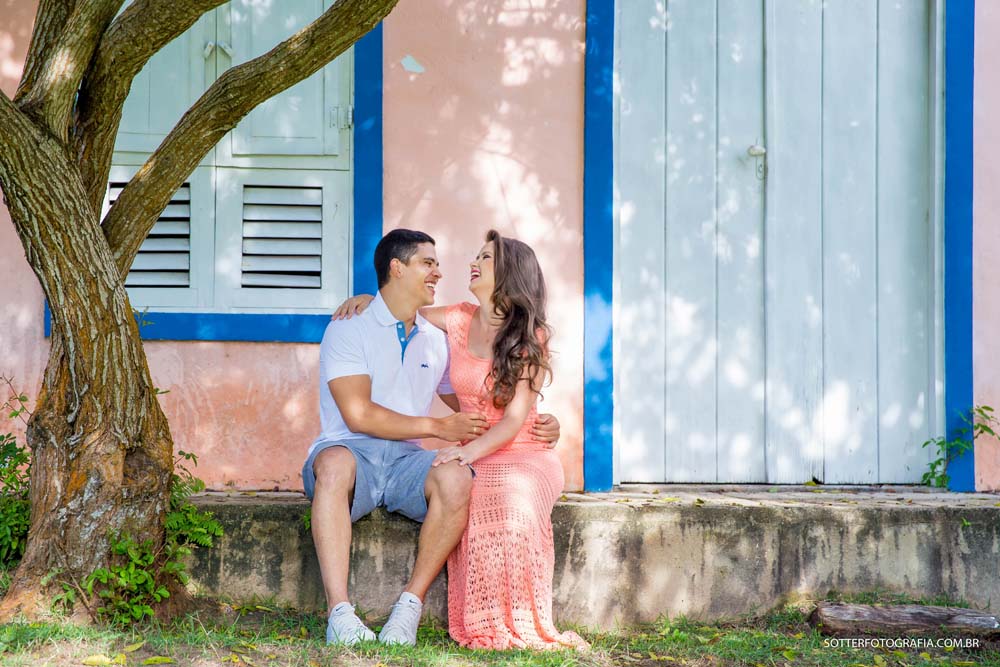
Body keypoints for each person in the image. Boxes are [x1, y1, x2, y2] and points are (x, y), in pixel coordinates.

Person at [333, 229, 588, 650]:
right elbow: (402, 308)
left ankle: (519, 619)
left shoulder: (531, 335)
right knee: (467, 488)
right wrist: (367, 300)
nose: (473, 262)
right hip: (479, 450)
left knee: (512, 502)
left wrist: (465, 450)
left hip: (523, 450)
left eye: (484, 258)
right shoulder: (456, 318)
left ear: (508, 272)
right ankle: (482, 620)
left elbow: (513, 422)